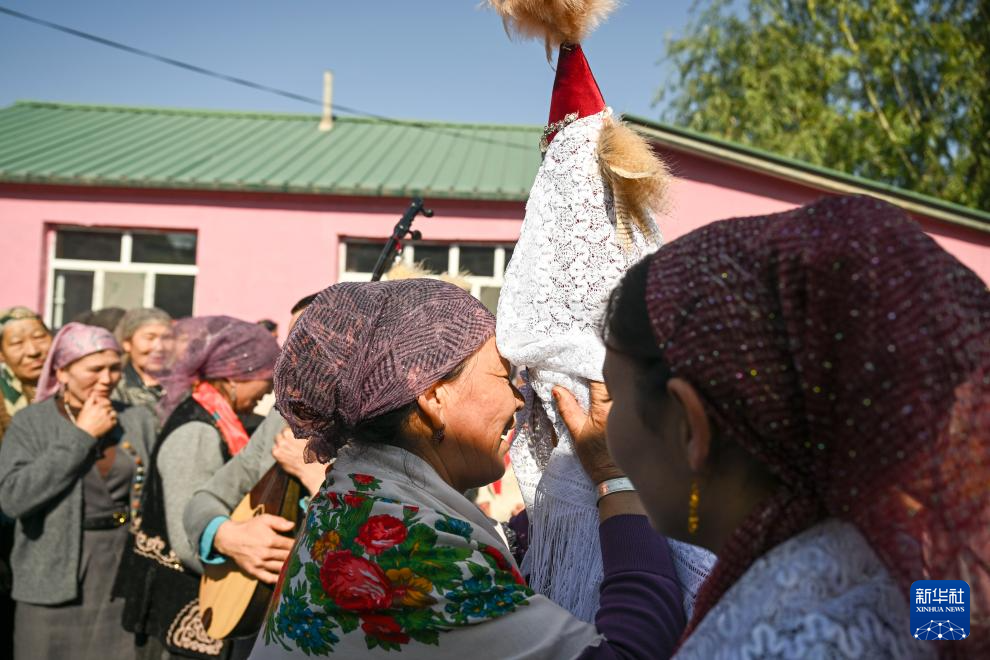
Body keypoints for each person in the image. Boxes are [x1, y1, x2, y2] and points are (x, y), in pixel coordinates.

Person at [601, 195, 990, 658]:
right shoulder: (909, 575)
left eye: (612, 396)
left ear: (690, 426)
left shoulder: (766, 643)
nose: (605, 425)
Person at [251, 279, 686, 659]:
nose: (519, 401)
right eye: (503, 378)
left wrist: (567, 485)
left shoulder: (356, 491)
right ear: (435, 396)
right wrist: (615, 477)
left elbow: (492, 543)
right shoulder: (409, 546)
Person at [113, 316, 280, 660]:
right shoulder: (197, 433)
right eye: (265, 378)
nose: (269, 390)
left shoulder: (217, 417)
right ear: (235, 376)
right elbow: (187, 538)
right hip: (184, 605)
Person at [0, 322, 156, 660]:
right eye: (95, 369)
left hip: (120, 571)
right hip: (51, 572)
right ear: (63, 371)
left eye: (115, 368)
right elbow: (13, 497)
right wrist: (81, 436)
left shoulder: (137, 419)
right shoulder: (32, 423)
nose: (107, 378)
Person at [185, 293, 325, 586]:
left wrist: (316, 478)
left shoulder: (397, 430)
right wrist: (227, 536)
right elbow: (204, 500)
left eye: (310, 344)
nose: (293, 360)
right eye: (290, 347)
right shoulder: (281, 420)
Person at [0, 307, 53, 443]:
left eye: (39, 337)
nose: (33, 351)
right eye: (17, 343)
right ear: (1, 354)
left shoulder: (70, 385)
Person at [113, 307, 175, 409]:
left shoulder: (186, 385)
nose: (160, 347)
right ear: (127, 343)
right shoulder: (114, 388)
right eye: (150, 338)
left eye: (166, 338)